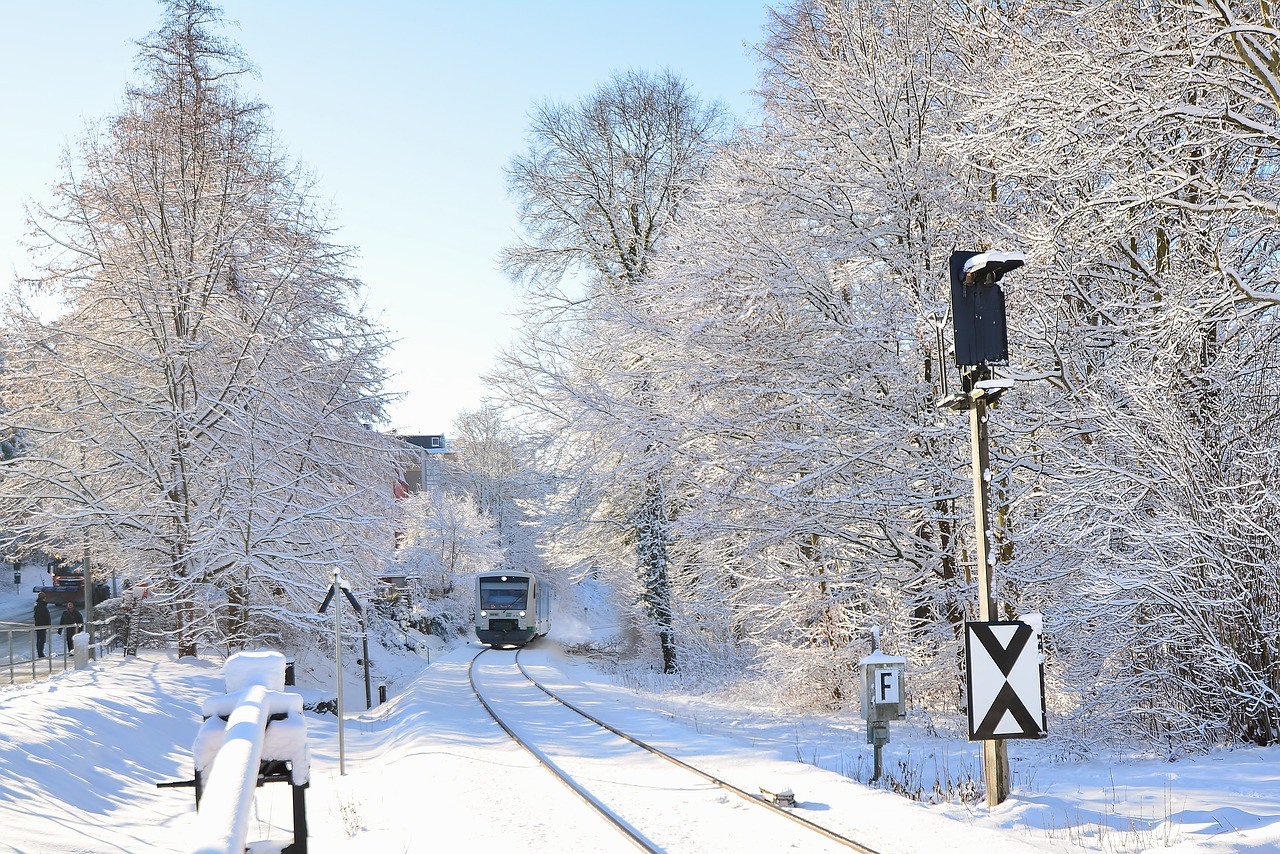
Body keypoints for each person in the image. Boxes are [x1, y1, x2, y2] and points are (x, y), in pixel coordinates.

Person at [33, 592, 51, 657]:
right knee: (41, 639)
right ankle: (40, 653)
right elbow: (41, 616)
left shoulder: (38, 604)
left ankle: (40, 653)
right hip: (41, 625)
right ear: (43, 598)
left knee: (40, 639)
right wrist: (46, 623)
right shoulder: (41, 605)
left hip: (40, 624)